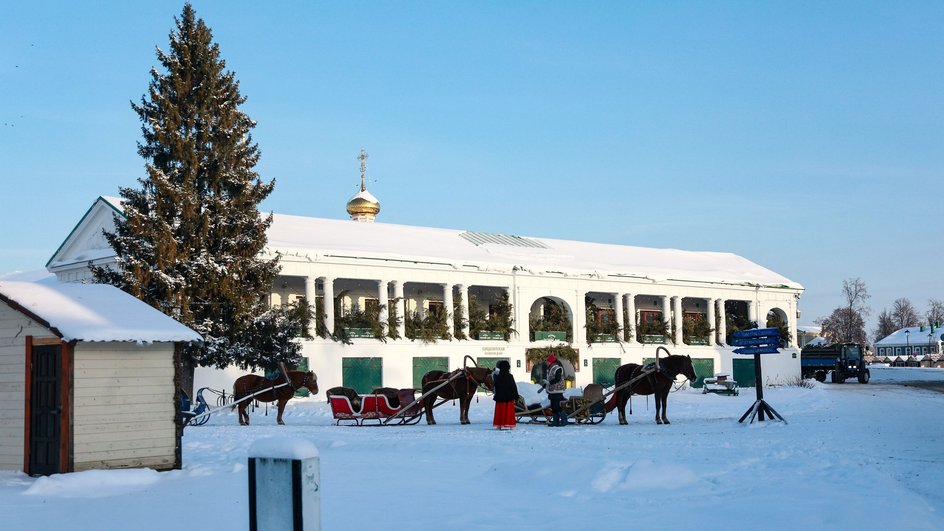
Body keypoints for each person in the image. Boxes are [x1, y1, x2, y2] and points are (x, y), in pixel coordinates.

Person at [492, 360, 518, 429]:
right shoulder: (510, 376)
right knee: (509, 412)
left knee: (500, 411)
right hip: (509, 397)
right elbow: (513, 387)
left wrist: (496, 395)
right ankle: (509, 424)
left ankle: (500, 424)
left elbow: (495, 387)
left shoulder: (497, 377)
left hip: (500, 398)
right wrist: (516, 396)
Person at [542, 354, 567, 426]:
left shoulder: (557, 368)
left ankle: (564, 420)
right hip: (552, 391)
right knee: (553, 407)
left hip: (557, 391)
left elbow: (557, 379)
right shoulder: (550, 369)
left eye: (547, 361)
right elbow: (550, 379)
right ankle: (555, 422)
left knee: (556, 406)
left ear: (551, 362)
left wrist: (549, 382)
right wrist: (545, 385)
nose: (547, 363)